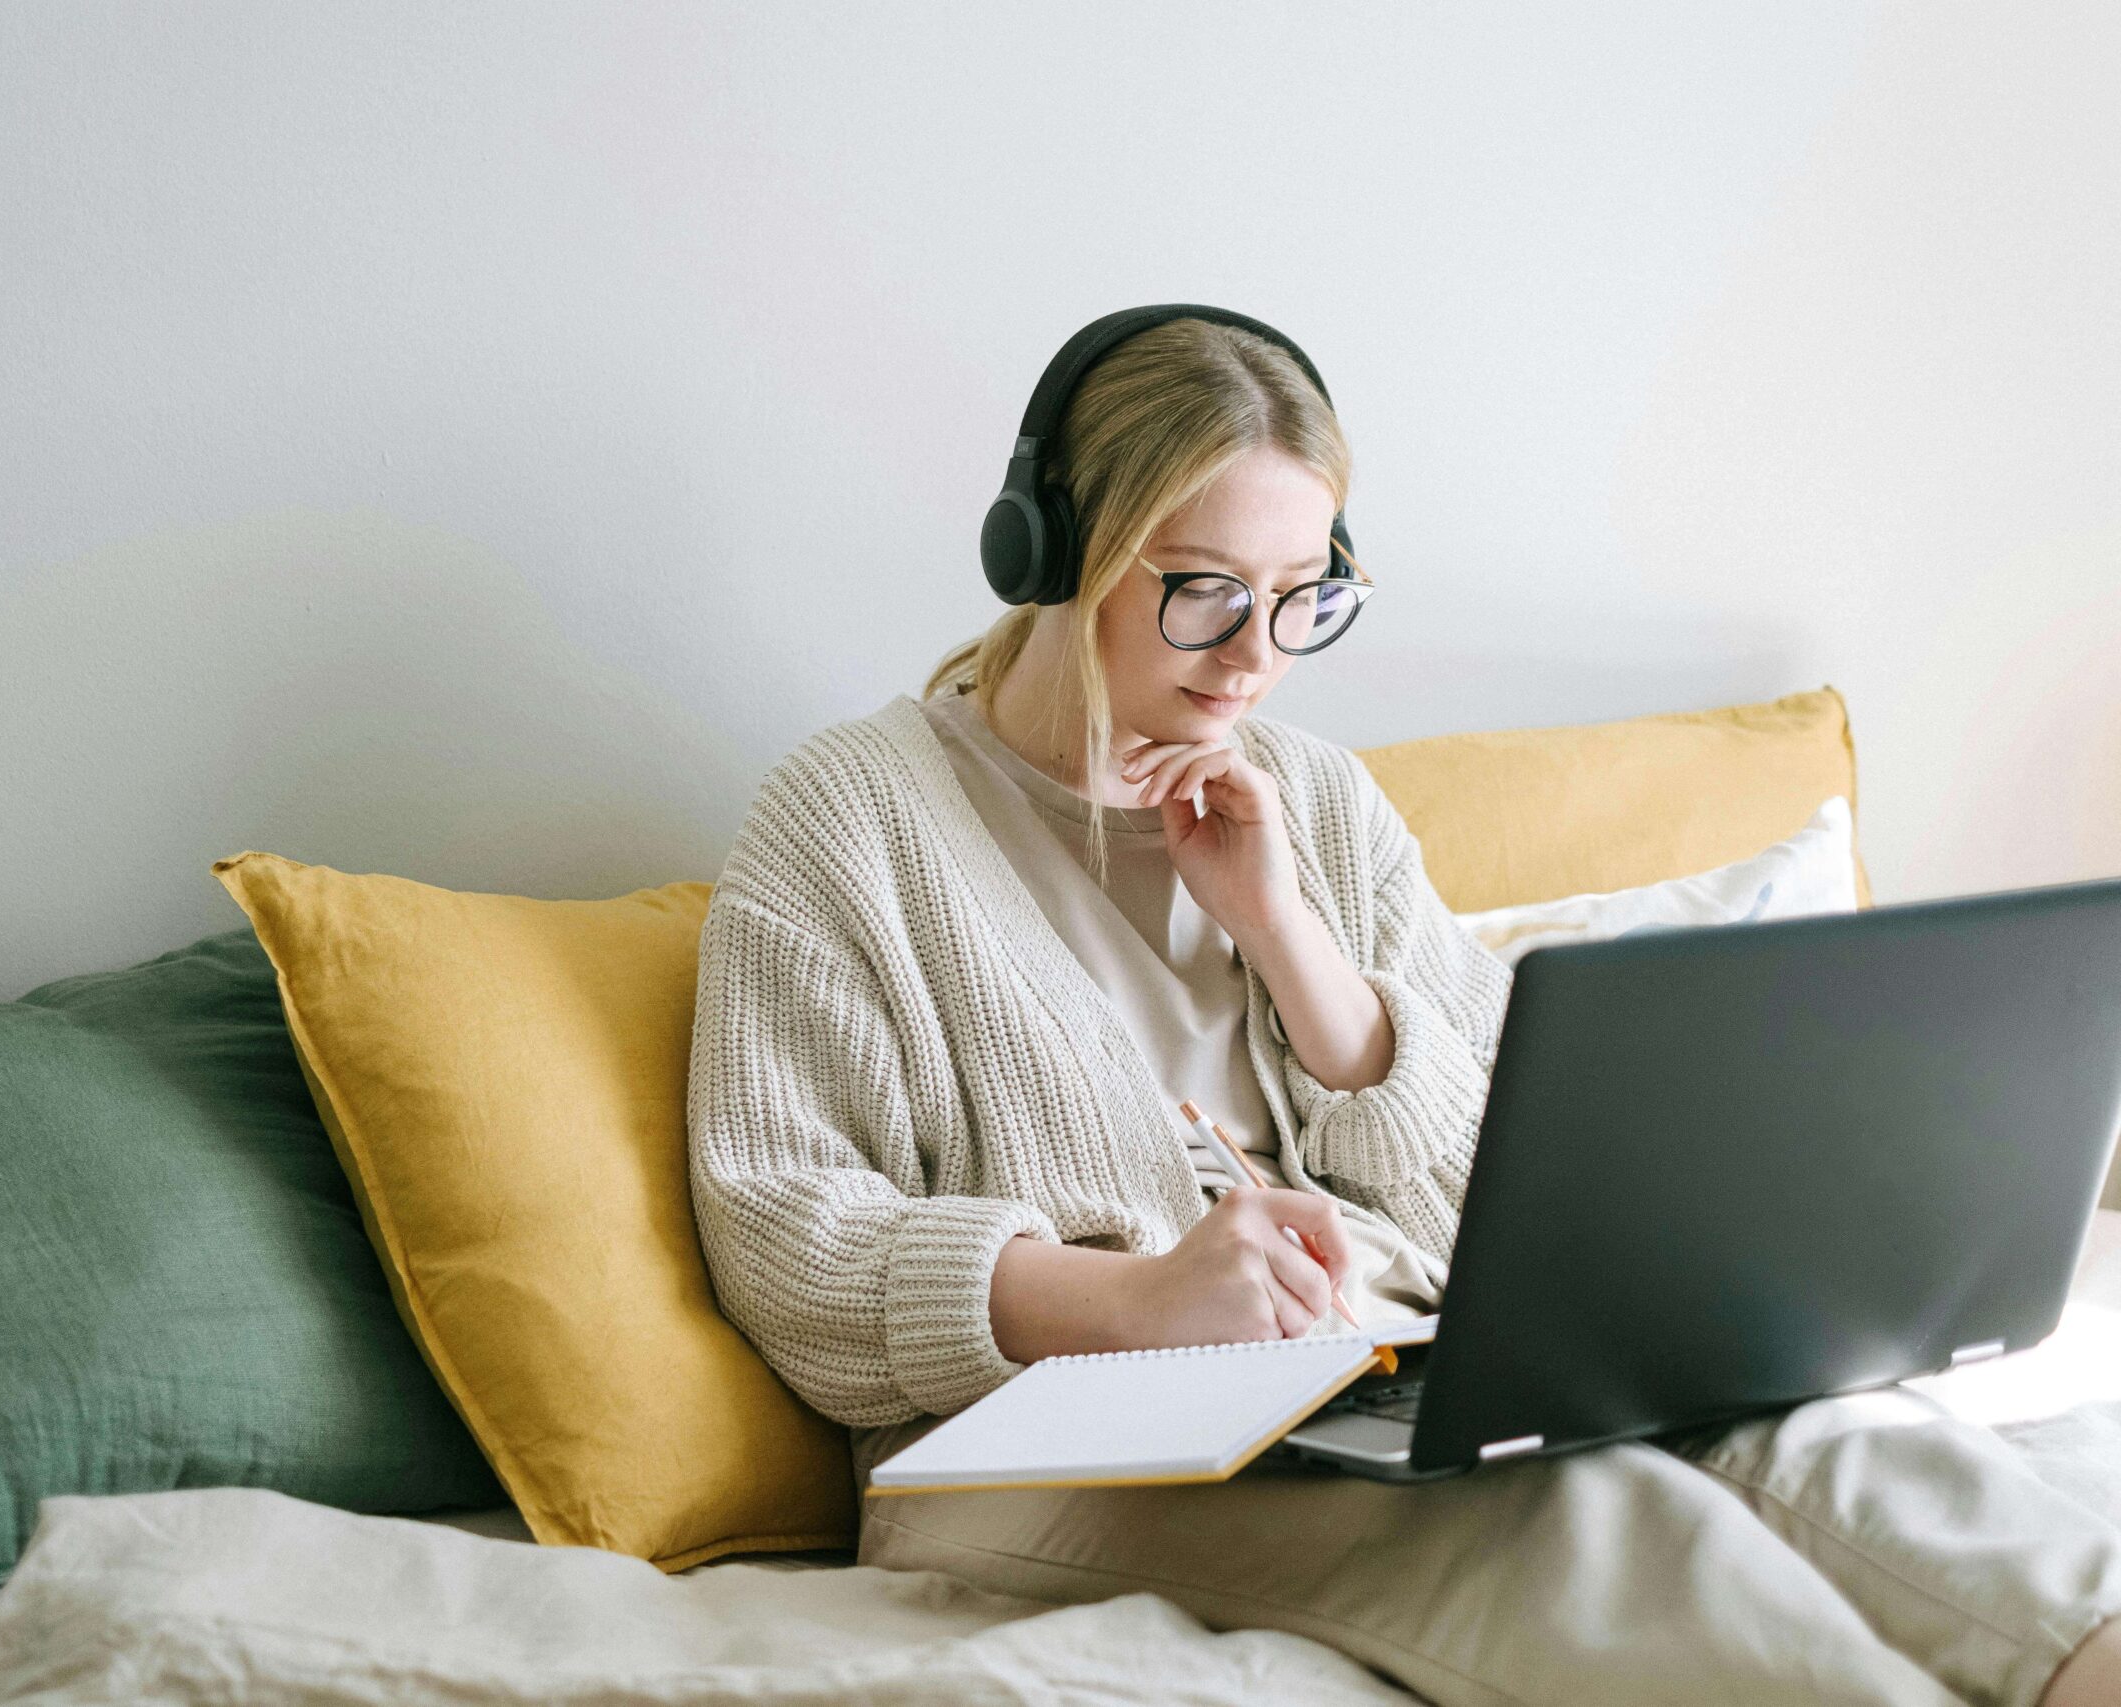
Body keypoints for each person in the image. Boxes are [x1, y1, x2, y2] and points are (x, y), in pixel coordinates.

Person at [684, 311, 2121, 1706]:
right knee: (1604, 1535)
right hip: (1036, 1450)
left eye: (1301, 595)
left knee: (1850, 1449)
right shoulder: (849, 821)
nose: (1255, 655)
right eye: (1202, 589)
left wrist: (1289, 936)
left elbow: (1508, 1171)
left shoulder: (1312, 798)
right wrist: (1133, 1302)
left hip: (1390, 1371)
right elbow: (787, 1238)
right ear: (1055, 556)